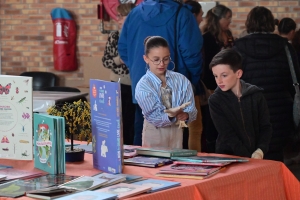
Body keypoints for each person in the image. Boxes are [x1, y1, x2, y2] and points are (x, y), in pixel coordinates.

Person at [118, 0, 203, 146]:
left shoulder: (134, 14)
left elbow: (124, 50)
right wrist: (192, 82)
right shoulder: (183, 14)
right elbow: (193, 54)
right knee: (177, 143)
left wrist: (142, 71)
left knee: (143, 135)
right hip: (175, 89)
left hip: (143, 85)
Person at [234, 6, 300, 162]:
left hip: (249, 109)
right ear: (271, 23)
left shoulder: (238, 48)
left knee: (251, 157)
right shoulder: (285, 47)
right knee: (275, 155)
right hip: (281, 111)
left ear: (249, 23)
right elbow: (295, 79)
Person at [208, 48, 272, 158]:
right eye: (215, 76)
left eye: (224, 75)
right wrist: (247, 156)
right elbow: (227, 133)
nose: (219, 81)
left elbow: (266, 126)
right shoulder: (215, 100)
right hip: (229, 157)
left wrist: (260, 150)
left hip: (257, 156)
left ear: (238, 73)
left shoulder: (256, 95)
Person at [135, 36, 197, 148]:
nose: (162, 64)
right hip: (154, 132)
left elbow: (192, 109)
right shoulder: (143, 85)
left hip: (177, 133)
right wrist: (172, 115)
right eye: (156, 59)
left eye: (166, 58)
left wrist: (187, 115)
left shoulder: (181, 80)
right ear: (146, 58)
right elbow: (154, 116)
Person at [102, 3, 136, 145]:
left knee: (132, 123)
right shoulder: (114, 36)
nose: (118, 19)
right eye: (118, 16)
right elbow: (105, 61)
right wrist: (119, 60)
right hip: (117, 84)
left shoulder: (137, 35)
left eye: (122, 16)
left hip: (135, 83)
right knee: (118, 122)